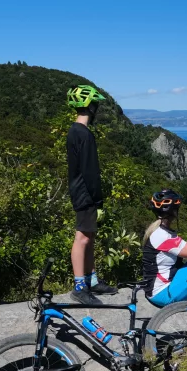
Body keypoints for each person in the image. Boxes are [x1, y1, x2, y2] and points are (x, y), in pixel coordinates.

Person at [66, 84, 117, 304]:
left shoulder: (74, 131)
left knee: (90, 236)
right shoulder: (84, 134)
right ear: (90, 105)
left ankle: (92, 280)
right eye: (95, 104)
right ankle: (80, 286)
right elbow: (90, 171)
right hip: (86, 193)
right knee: (82, 238)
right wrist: (98, 199)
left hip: (80, 191)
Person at [142, 189, 187, 306]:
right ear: (174, 212)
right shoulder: (164, 236)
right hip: (163, 294)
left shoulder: (155, 231)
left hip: (154, 290)